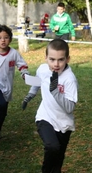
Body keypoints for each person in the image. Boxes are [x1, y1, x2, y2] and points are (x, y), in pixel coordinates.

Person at [35, 39, 78, 173]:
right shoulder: (42, 69)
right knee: (52, 146)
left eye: (61, 60)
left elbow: (70, 108)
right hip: (45, 116)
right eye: (52, 59)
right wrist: (29, 95)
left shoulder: (69, 79)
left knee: (58, 157)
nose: (56, 64)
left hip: (64, 123)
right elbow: (38, 81)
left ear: (67, 59)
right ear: (46, 57)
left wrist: (55, 92)